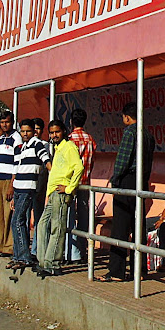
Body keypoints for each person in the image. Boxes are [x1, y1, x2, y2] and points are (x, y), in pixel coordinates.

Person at [100, 101, 155, 282]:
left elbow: (123, 160)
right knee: (138, 226)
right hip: (142, 182)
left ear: (126, 116)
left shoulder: (130, 132)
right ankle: (139, 270)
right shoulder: (148, 135)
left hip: (128, 182)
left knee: (120, 228)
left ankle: (116, 271)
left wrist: (115, 179)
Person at [35, 119, 83, 277]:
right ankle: (43, 261)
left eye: (57, 132)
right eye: (52, 132)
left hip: (61, 194)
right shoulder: (57, 148)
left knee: (57, 228)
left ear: (64, 131)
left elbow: (79, 167)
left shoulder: (69, 147)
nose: (54, 135)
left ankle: (53, 264)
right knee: (42, 225)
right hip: (53, 193)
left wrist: (69, 189)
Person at [8, 119, 51, 271]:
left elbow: (46, 161)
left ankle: (24, 257)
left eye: (28, 131)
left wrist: (54, 178)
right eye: (23, 131)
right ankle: (18, 256)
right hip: (18, 188)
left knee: (17, 220)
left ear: (33, 131)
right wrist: (12, 192)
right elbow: (17, 170)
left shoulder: (37, 144)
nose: (25, 134)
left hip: (28, 188)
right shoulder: (21, 147)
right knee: (17, 222)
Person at [0, 111, 22, 257]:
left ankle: (9, 246)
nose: (4, 125)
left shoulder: (16, 138)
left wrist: (12, 185)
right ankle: (0, 243)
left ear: (12, 122)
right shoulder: (0, 139)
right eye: (2, 122)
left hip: (9, 179)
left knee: (8, 214)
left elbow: (17, 162)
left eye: (6, 122)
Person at [67, 108, 97, 263]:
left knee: (70, 217)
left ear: (72, 121)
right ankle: (83, 248)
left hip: (71, 183)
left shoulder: (70, 139)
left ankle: (73, 252)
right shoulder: (90, 139)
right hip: (85, 182)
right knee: (84, 217)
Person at [31, 117, 49, 259]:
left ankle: (36, 250)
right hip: (26, 186)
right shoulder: (26, 145)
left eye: (38, 128)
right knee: (23, 219)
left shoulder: (45, 146)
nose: (35, 131)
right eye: (34, 128)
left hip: (39, 187)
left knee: (38, 219)